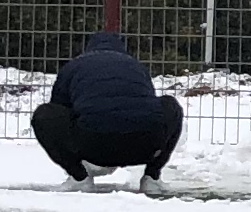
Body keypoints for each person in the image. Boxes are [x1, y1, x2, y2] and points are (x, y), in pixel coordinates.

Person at [33, 31, 184, 190]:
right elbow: (149, 107)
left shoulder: (75, 65)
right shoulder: (135, 65)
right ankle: (152, 177)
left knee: (44, 115)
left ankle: (79, 177)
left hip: (93, 145)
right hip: (144, 145)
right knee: (170, 105)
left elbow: (58, 107)